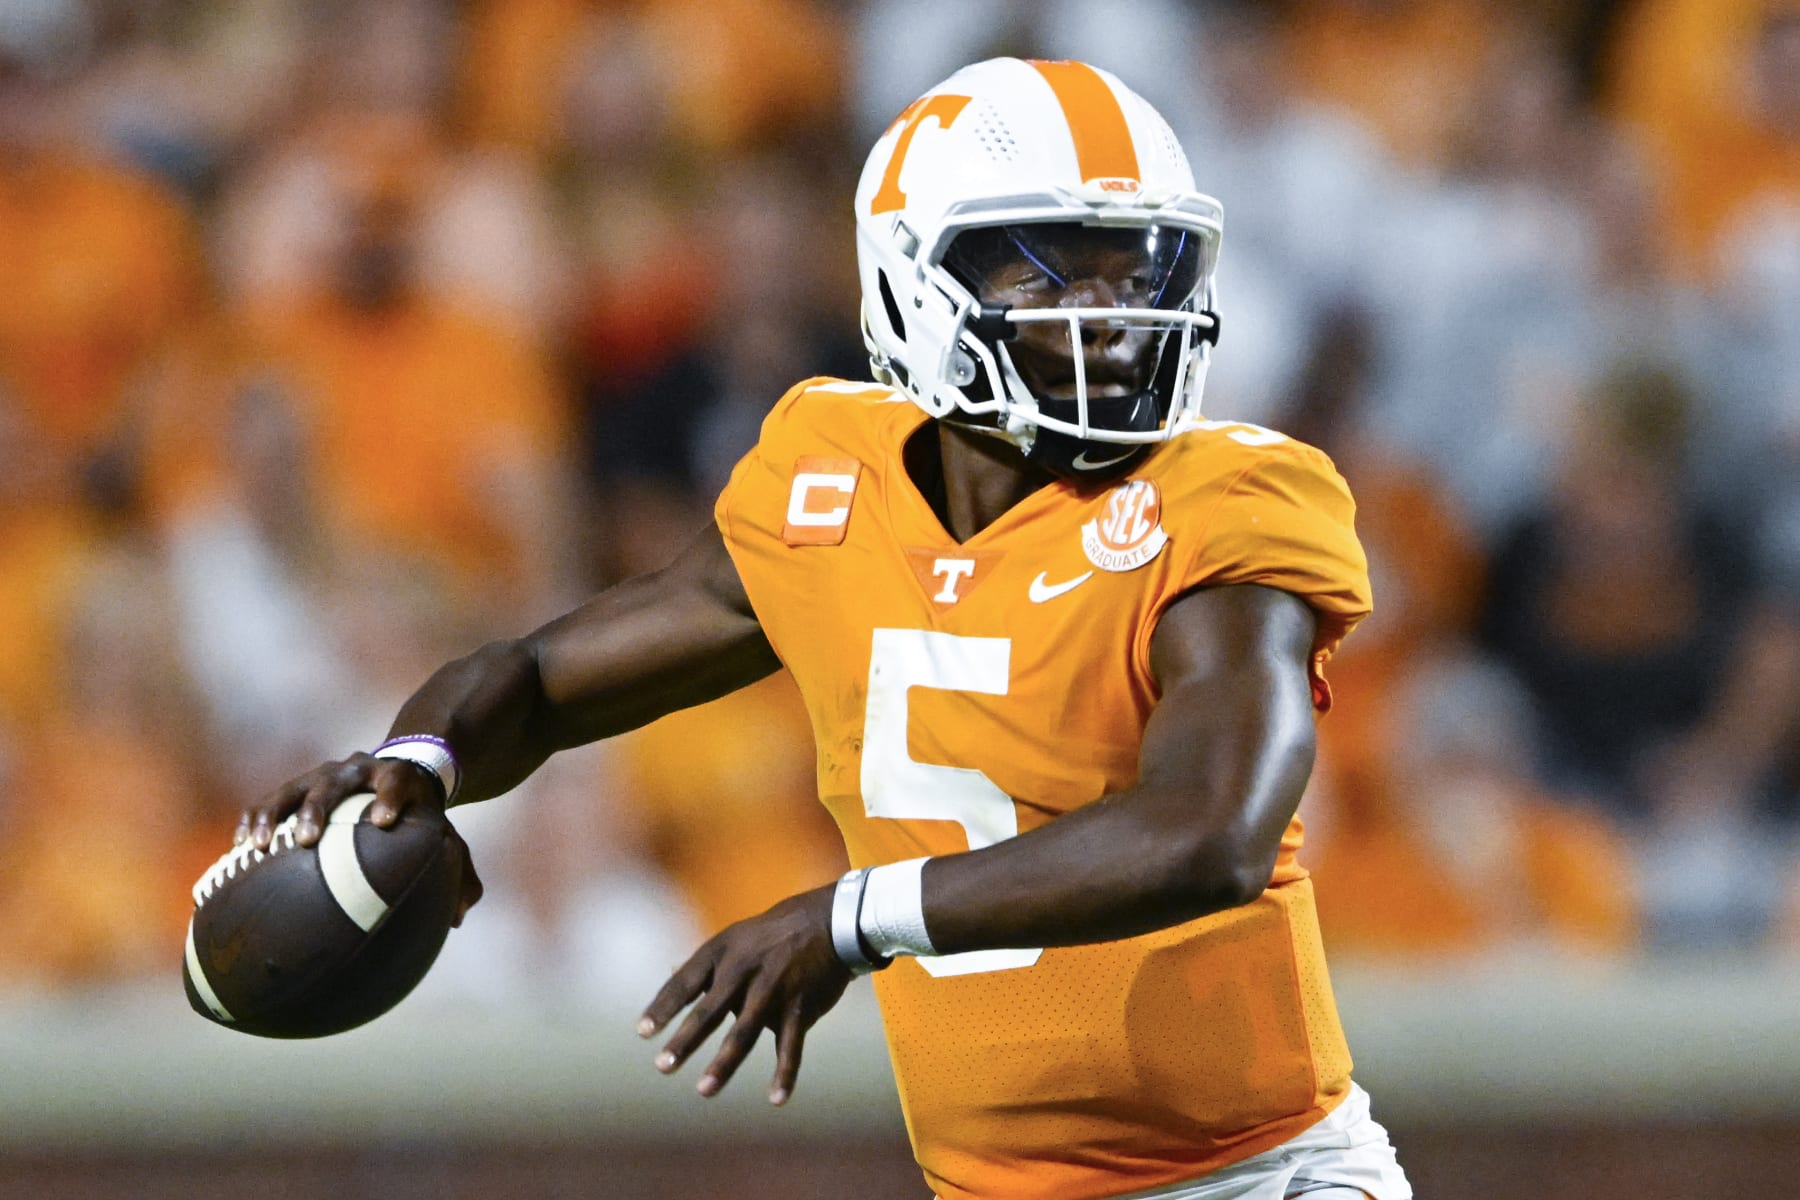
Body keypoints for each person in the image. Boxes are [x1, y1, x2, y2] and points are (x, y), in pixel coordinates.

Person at [237, 59, 1411, 1200]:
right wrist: (419, 761)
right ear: (910, 284)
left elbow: (1211, 833)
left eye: (1130, 271)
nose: (1107, 316)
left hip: (1255, 1176)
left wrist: (851, 919)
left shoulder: (1228, 498)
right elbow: (545, 676)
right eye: (1047, 275)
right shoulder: (828, 475)